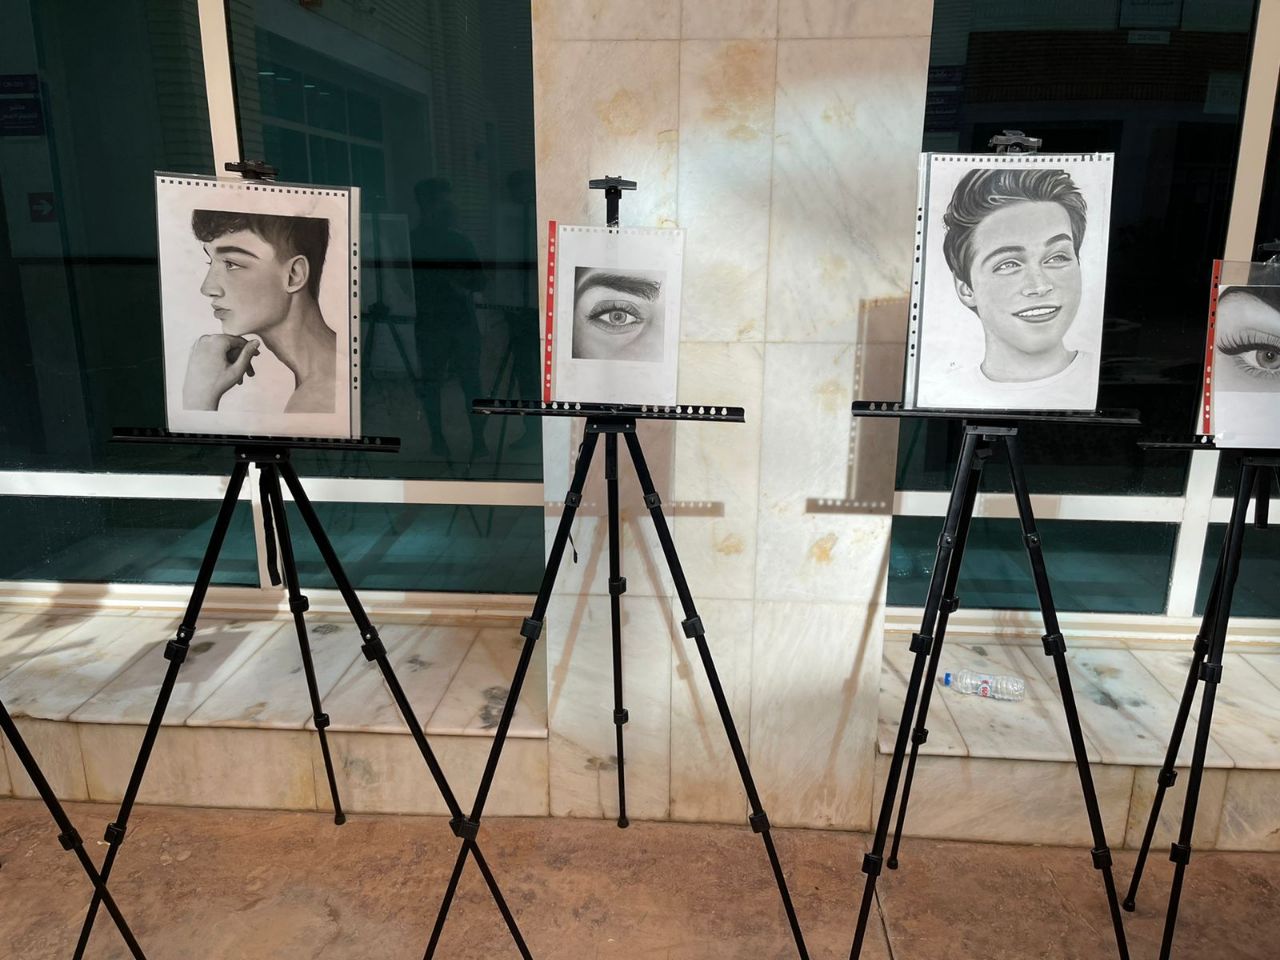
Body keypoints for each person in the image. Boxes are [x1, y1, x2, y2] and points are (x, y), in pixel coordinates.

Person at [926, 167, 1097, 408]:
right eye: (1008, 264)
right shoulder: (941, 394)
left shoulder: (1100, 379)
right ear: (966, 289)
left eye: (1057, 257)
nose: (1040, 286)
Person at [183, 209, 335, 413]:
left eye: (231, 264)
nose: (207, 288)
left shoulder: (316, 402)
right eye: (211, 262)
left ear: (294, 275)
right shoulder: (329, 375)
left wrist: (198, 399)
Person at [410, 179, 488, 458]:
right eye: (444, 202)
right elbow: (404, 283)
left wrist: (459, 283)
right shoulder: (411, 242)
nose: (450, 208)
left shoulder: (458, 241)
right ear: (427, 205)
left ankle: (477, 441)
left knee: (470, 383)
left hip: (459, 323)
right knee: (434, 384)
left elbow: (480, 281)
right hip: (432, 324)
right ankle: (439, 441)